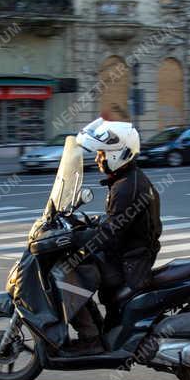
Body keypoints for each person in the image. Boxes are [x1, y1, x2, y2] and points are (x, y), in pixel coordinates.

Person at [68, 119, 163, 354]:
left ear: (117, 154)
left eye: (102, 153)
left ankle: (90, 338)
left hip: (131, 262)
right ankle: (100, 331)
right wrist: (90, 223)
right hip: (133, 253)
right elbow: (117, 223)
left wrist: (73, 239)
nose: (98, 158)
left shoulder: (125, 187)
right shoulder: (128, 180)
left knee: (67, 274)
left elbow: (110, 235)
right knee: (80, 267)